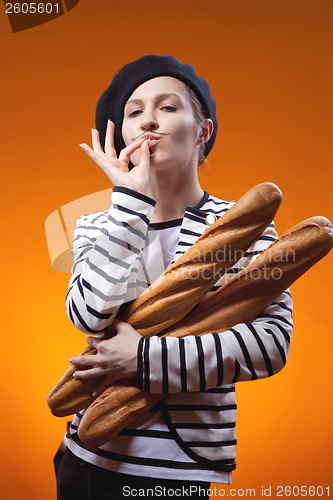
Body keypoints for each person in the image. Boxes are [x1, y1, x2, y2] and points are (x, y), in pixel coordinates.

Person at [56, 55, 293, 500]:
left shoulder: (245, 225)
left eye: (167, 107)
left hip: (184, 470)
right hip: (86, 455)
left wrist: (145, 358)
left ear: (202, 131)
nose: (148, 120)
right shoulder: (94, 223)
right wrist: (129, 202)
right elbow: (88, 316)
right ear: (121, 135)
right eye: (134, 111)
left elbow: (271, 344)